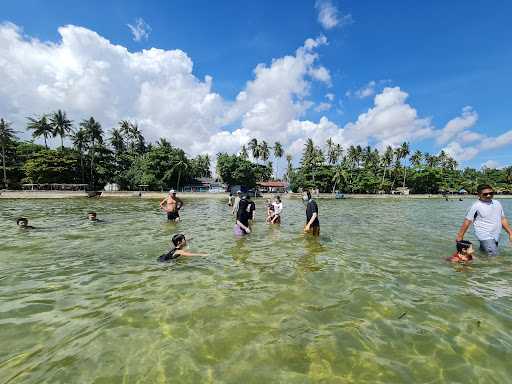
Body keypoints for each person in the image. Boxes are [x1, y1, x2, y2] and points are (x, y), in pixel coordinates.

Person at [456, 184, 512, 256]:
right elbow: (467, 221)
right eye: (485, 194)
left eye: (491, 193)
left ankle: (474, 263)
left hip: (496, 235)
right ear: (479, 194)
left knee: (484, 255)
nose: (488, 195)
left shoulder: (497, 203)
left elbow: (502, 219)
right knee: (494, 256)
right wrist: (460, 236)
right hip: (484, 235)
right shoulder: (476, 206)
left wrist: (510, 233)